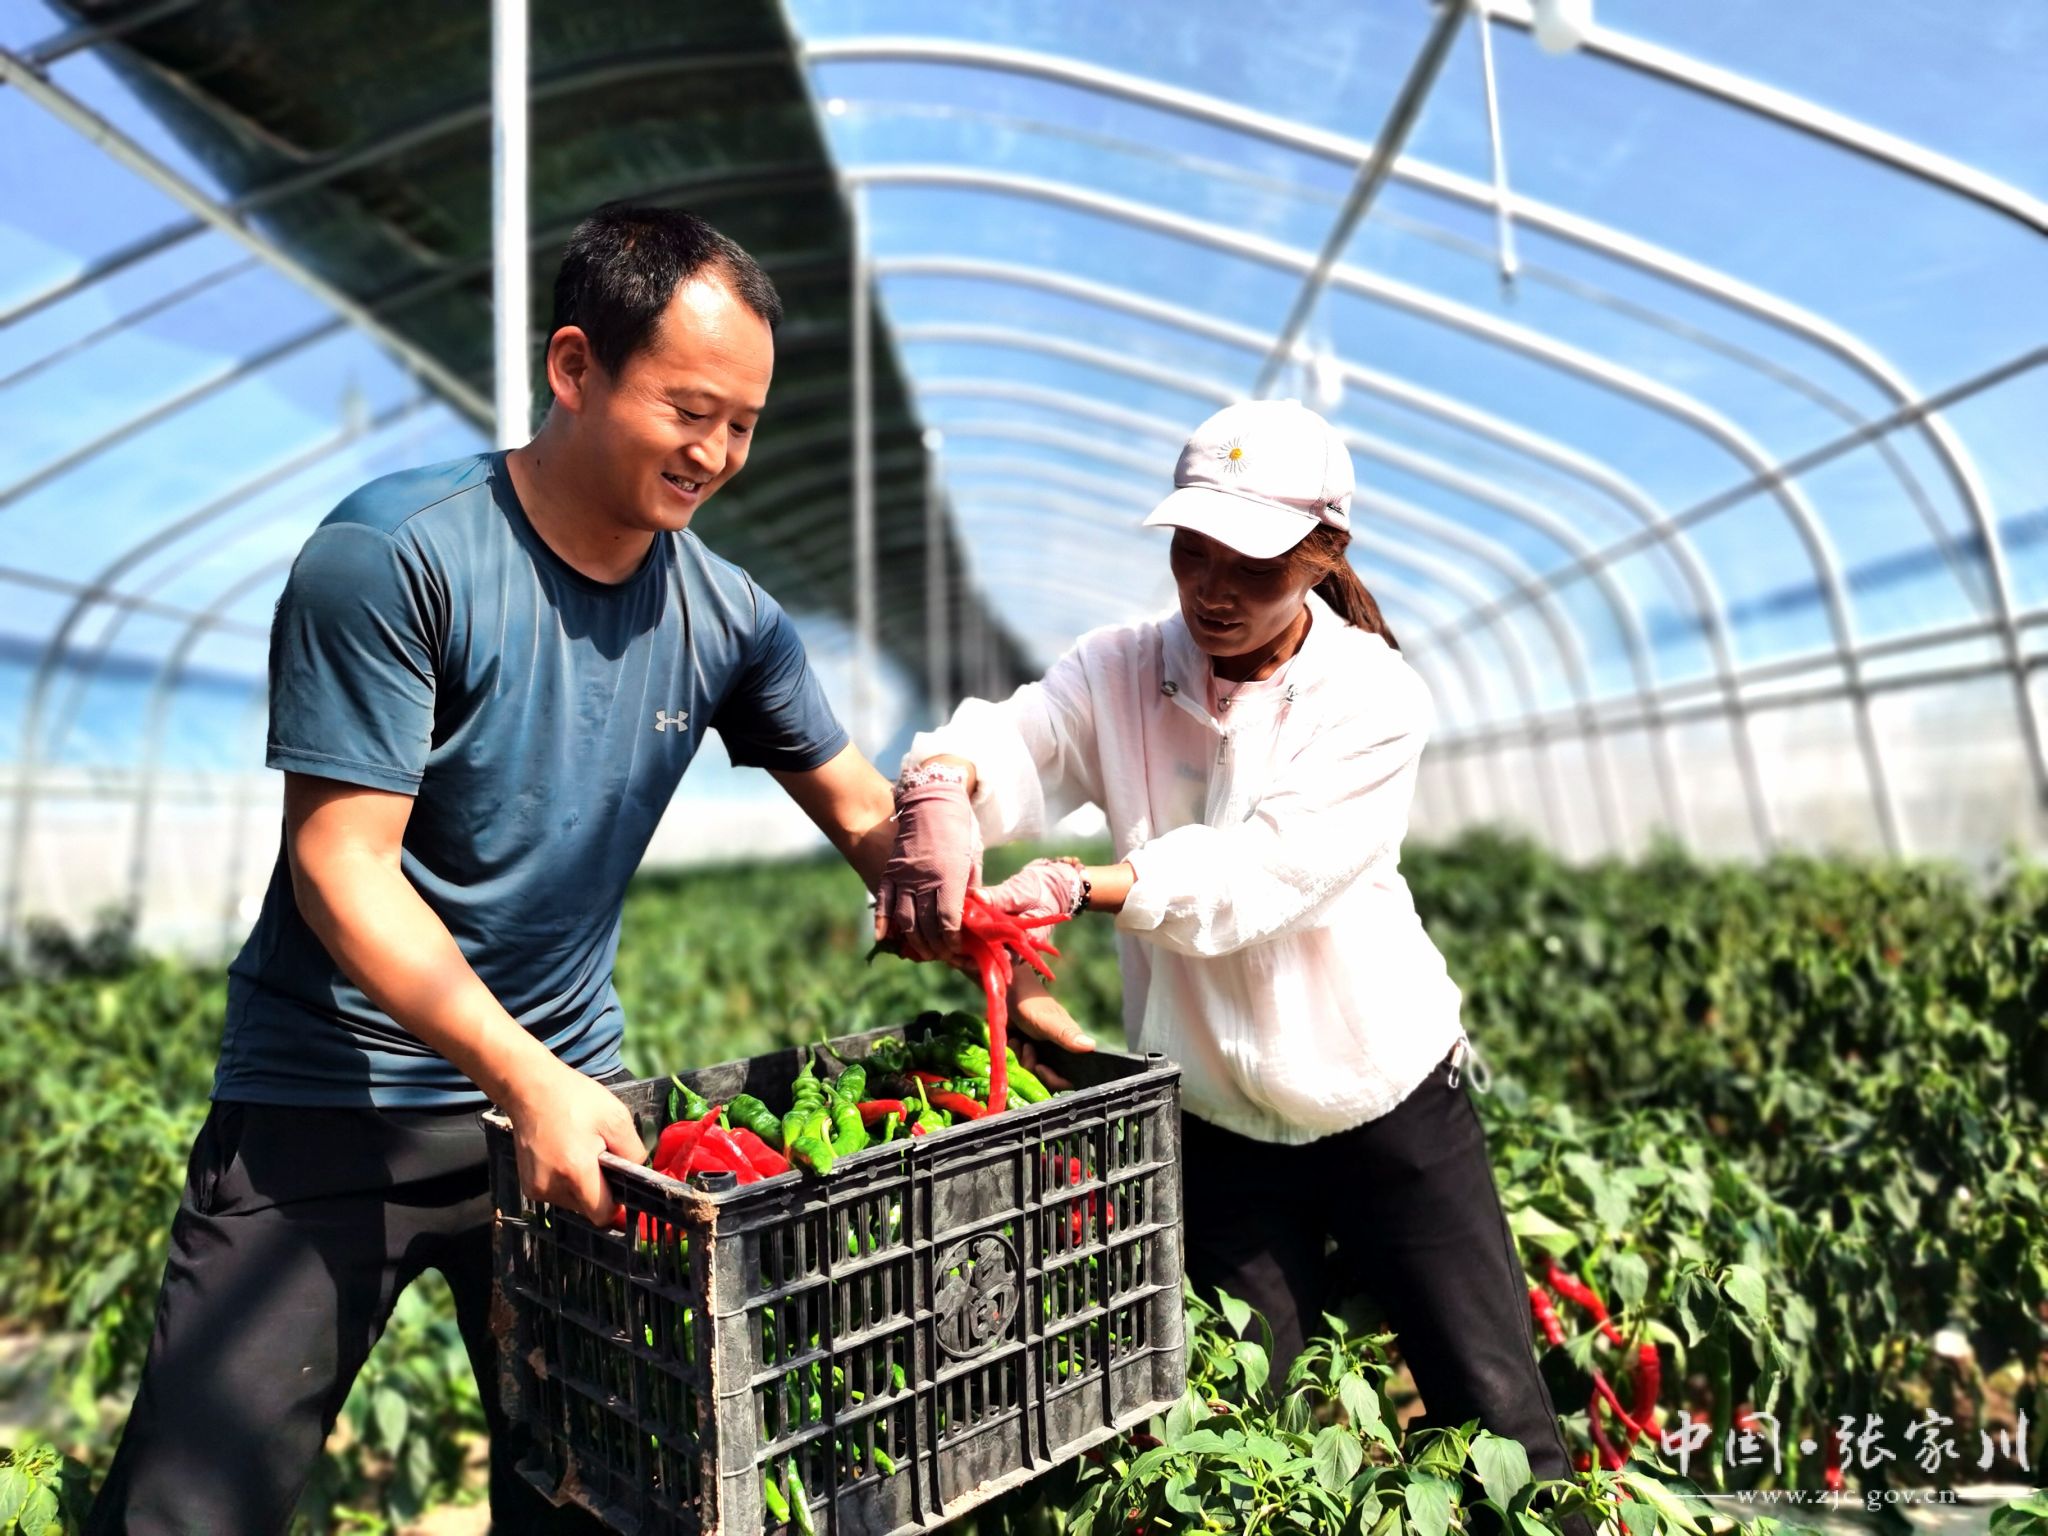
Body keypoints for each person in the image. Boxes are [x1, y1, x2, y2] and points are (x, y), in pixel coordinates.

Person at [90, 205, 905, 1535]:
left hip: (566, 1115)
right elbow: (342, 867)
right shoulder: (397, 556)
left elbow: (865, 809)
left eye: (743, 424)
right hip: (330, 1103)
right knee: (189, 1507)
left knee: (607, 1497)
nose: (715, 455)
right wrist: (521, 1074)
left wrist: (971, 905)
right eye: (688, 410)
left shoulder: (727, 616)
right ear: (574, 367)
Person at [875, 399, 1595, 1535]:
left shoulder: (1374, 697)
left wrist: (1078, 883)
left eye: (1250, 565)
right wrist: (941, 783)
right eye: (1191, 553)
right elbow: (1020, 738)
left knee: (1500, 1418)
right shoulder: (1120, 667)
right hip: (1213, 1121)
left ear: (1323, 553)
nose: (1210, 590)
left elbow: (1260, 877)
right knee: (1254, 1445)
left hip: (1385, 1101)